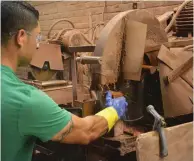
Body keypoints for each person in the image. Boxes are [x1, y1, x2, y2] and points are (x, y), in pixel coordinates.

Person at [1, 1, 128, 161]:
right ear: (21, 37)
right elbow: (87, 131)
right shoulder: (25, 100)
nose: (39, 44)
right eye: (38, 36)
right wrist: (114, 111)